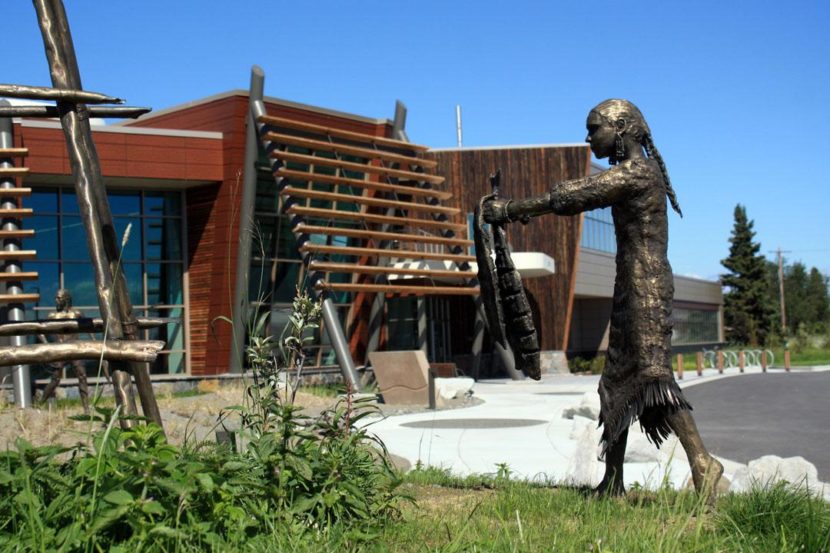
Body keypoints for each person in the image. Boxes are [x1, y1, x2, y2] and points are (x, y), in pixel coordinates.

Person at [483, 99, 723, 505]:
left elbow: (577, 194)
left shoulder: (638, 173)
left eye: (595, 128)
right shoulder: (630, 172)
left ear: (623, 128)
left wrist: (511, 209)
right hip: (630, 285)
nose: (589, 136)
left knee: (652, 377)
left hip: (646, 286)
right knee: (614, 385)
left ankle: (702, 461)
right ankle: (612, 481)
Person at [38, 289, 91, 413]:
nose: (56, 300)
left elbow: (89, 328)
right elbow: (40, 330)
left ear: (66, 299)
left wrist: (95, 343)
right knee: (55, 379)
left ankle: (87, 409)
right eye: (56, 297)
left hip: (75, 349)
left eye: (59, 298)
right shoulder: (52, 316)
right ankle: (40, 404)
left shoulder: (77, 313)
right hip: (60, 350)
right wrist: (47, 344)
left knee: (82, 376)